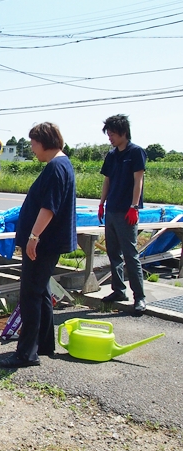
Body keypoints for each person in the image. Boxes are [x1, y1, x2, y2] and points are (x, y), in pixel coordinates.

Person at [0, 122, 76, 368]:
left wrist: (34, 237)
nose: (32, 149)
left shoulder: (56, 167)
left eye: (33, 143)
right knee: (40, 291)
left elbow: (49, 207)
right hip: (48, 241)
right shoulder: (62, 164)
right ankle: (43, 344)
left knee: (30, 293)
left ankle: (26, 353)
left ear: (44, 142)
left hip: (44, 242)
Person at [98, 114, 147, 315]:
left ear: (123, 132)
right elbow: (107, 180)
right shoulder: (111, 155)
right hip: (112, 209)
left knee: (130, 254)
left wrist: (134, 207)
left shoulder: (136, 153)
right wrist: (101, 203)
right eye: (108, 133)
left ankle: (140, 297)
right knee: (113, 253)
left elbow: (138, 181)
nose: (109, 137)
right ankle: (119, 290)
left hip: (127, 210)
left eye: (112, 133)